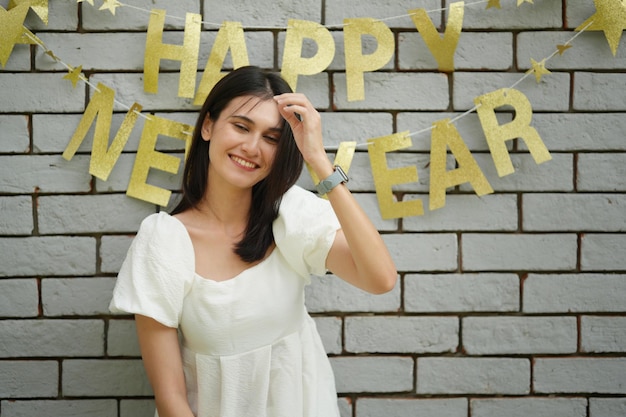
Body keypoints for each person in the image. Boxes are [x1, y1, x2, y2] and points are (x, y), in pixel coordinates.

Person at [109, 65, 397, 417]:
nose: (252, 147)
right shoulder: (163, 240)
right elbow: (171, 402)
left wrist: (318, 160)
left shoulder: (290, 214)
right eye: (241, 126)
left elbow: (380, 279)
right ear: (209, 125)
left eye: (271, 138)